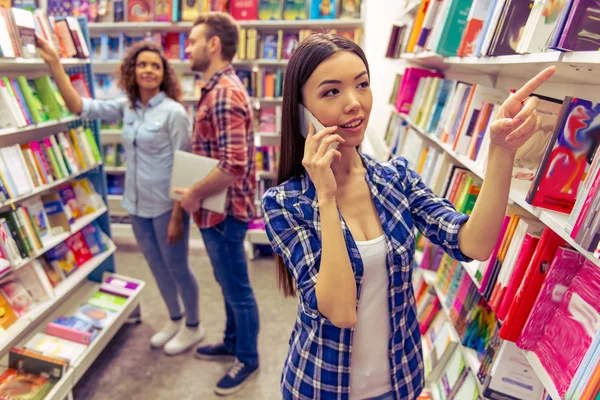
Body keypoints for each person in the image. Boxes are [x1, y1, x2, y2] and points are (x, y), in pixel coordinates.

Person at [262, 33, 555, 400]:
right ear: (302, 111)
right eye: (331, 92)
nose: (355, 103)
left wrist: (500, 152)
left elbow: (474, 244)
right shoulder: (285, 204)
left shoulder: (394, 179)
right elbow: (340, 311)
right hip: (321, 385)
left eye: (362, 85)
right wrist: (326, 196)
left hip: (401, 381)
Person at [37, 38, 203, 356]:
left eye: (155, 65)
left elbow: (185, 168)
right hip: (136, 206)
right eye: (142, 64)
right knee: (156, 266)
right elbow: (79, 106)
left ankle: (194, 326)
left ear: (164, 73)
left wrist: (177, 216)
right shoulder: (126, 107)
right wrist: (55, 66)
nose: (148, 70)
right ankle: (175, 318)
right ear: (132, 70)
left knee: (178, 267)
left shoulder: (174, 113)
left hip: (166, 208)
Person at [175, 12, 260, 396]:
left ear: (213, 45)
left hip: (224, 211)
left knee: (237, 288)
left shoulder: (224, 93)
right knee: (227, 281)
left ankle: (248, 356)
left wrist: (192, 194)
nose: (187, 48)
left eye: (192, 41)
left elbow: (234, 165)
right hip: (216, 209)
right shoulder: (215, 88)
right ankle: (231, 340)